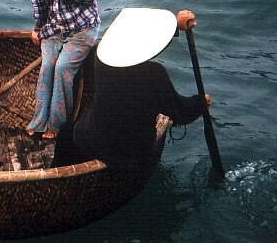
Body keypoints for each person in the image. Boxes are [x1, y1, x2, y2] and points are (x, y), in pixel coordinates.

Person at [51, 10, 211, 170]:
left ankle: (58, 179)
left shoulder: (100, 60)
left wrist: (175, 26)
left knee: (66, 132)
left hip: (96, 140)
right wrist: (201, 103)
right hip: (133, 151)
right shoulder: (154, 74)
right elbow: (179, 112)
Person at [23, 0, 101, 139]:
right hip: (53, 28)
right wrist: (37, 28)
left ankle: (57, 125)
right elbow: (38, 4)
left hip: (82, 28)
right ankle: (38, 121)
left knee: (62, 69)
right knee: (47, 67)